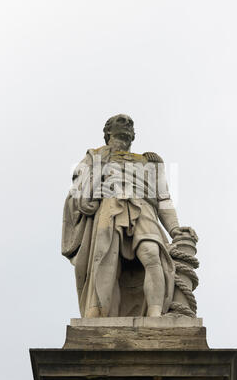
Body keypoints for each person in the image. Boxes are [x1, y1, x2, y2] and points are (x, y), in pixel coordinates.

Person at [62, 114, 196, 317]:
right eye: (121, 121)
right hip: (110, 206)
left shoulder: (149, 162)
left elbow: (163, 199)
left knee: (152, 254)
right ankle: (98, 313)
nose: (127, 124)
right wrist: (92, 189)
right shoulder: (94, 156)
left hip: (144, 209)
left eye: (130, 123)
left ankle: (154, 314)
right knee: (106, 260)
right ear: (108, 131)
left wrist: (175, 229)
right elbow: (78, 192)